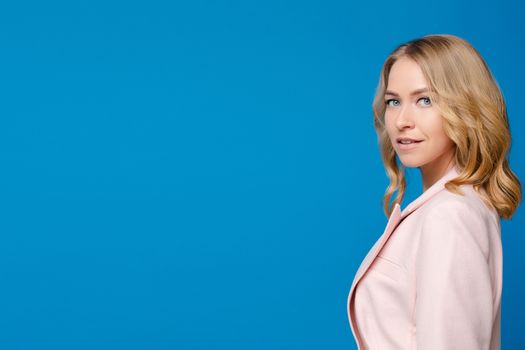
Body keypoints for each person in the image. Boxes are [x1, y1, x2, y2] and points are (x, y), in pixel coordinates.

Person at [346, 34, 521, 349]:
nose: (401, 121)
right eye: (393, 101)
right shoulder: (460, 204)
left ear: (464, 106)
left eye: (425, 100)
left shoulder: (449, 216)